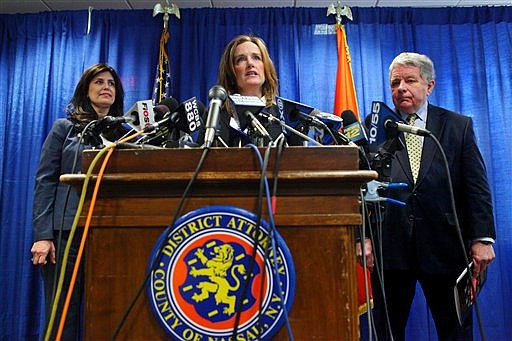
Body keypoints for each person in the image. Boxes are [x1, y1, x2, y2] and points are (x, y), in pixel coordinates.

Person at [357, 52, 496, 340]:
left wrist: (482, 238)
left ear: (429, 86)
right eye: (395, 83)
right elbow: (359, 189)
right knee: (386, 331)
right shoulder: (375, 128)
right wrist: (363, 237)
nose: (401, 89)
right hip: (390, 247)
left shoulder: (457, 126)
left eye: (410, 80)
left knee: (455, 331)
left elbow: (477, 187)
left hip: (445, 247)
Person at [31, 63, 127, 339]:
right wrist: (42, 235)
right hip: (66, 235)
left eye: (111, 83)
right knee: (63, 315)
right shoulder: (65, 128)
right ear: (86, 90)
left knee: (108, 311)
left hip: (108, 234)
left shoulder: (125, 134)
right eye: (99, 82)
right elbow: (45, 181)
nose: (106, 87)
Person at [209, 34, 284, 147]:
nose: (250, 63)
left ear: (266, 68)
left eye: (257, 58)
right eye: (241, 59)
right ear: (231, 73)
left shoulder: (282, 117)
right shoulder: (215, 116)